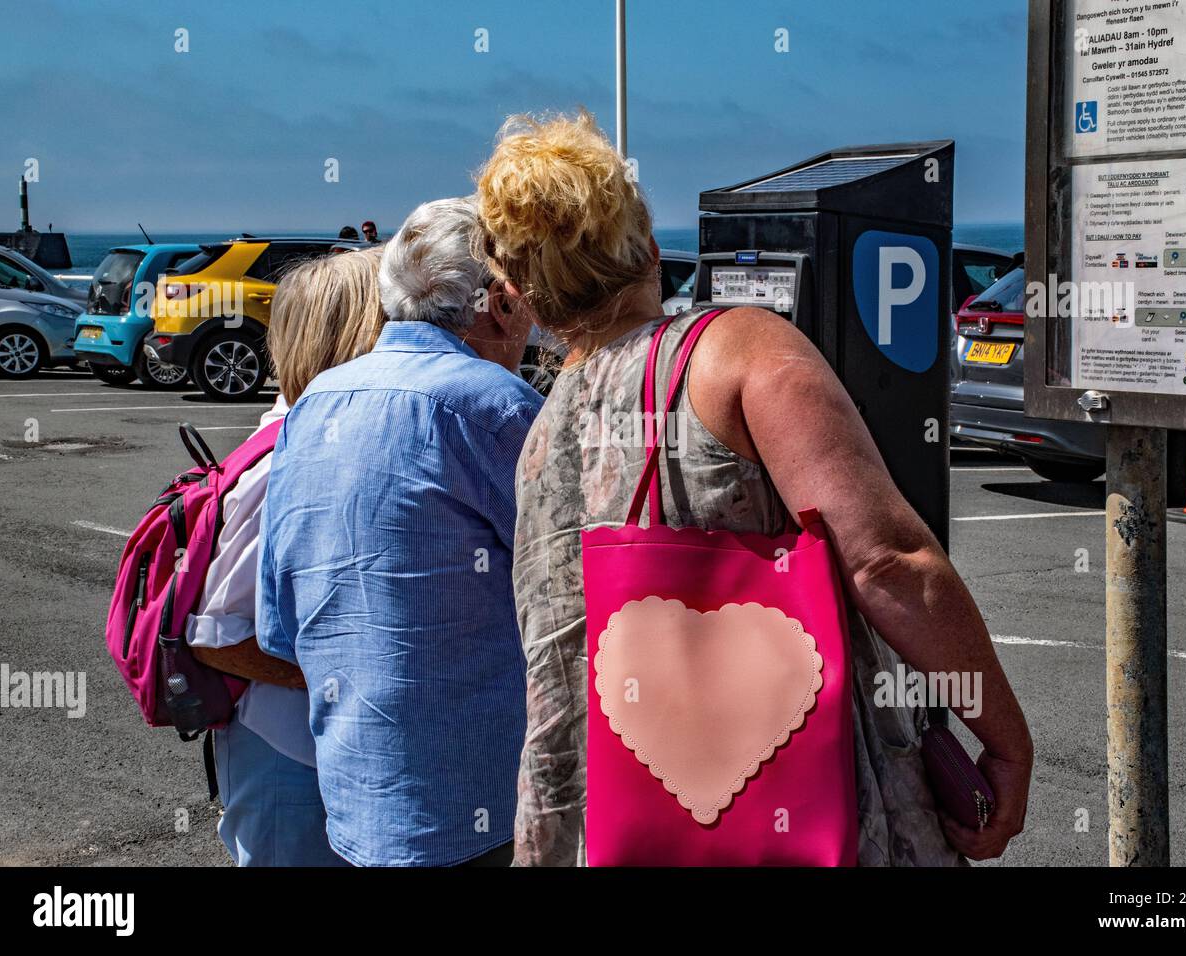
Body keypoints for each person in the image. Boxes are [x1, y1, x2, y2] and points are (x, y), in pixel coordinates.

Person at [476, 110, 1034, 867]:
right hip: (806, 816)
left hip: (622, 830)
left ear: (526, 294)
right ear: (644, 244)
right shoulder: (735, 350)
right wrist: (1004, 738)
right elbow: (887, 563)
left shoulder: (542, 436)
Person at [256, 197, 541, 867]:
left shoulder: (313, 404)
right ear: (499, 302)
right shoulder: (497, 409)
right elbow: (581, 603)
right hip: (488, 809)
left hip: (358, 806)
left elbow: (279, 626)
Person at [184, 247, 388, 866]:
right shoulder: (285, 462)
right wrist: (350, 677)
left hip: (298, 748)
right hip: (287, 754)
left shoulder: (310, 441)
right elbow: (216, 635)